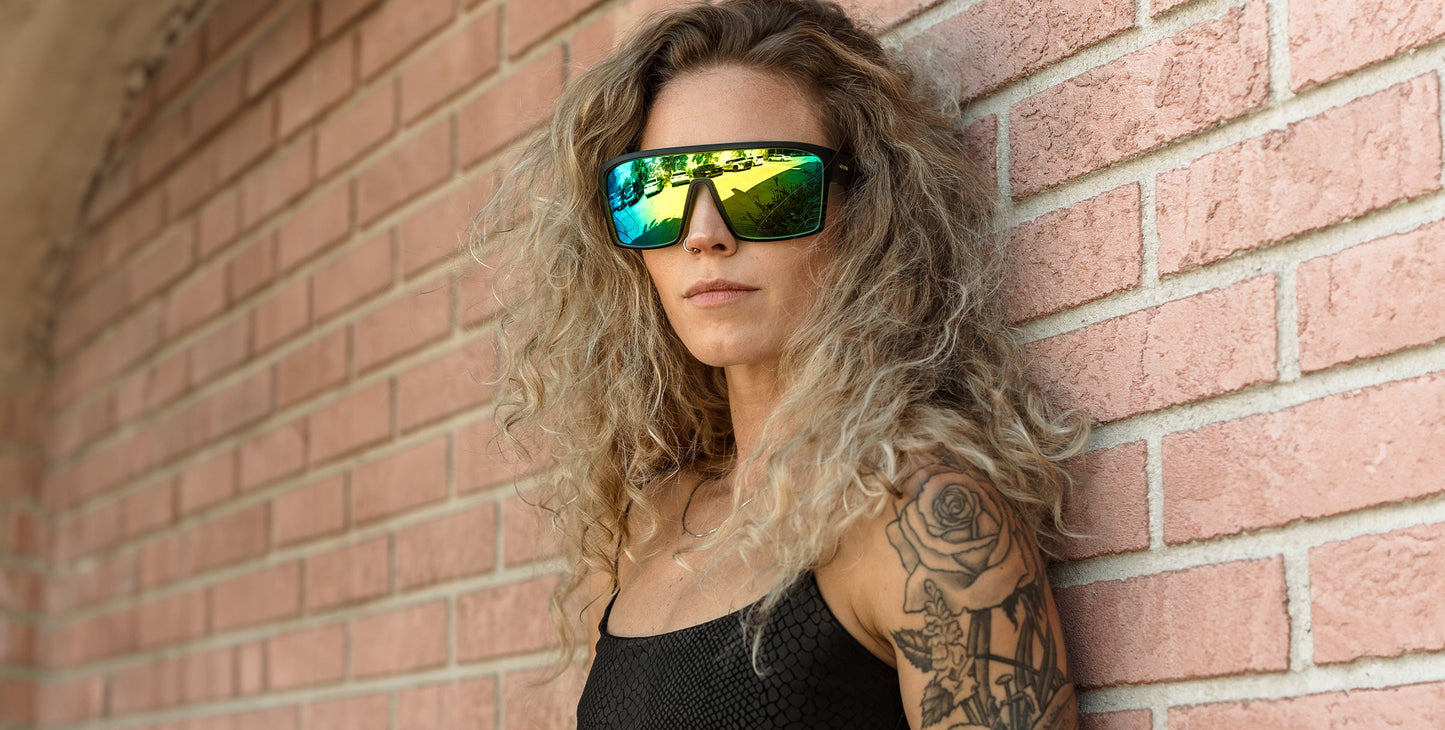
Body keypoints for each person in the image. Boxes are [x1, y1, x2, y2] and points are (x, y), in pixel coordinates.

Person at [479, 0, 1089, 727]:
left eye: (762, 185)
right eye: (659, 191)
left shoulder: (921, 517)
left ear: (864, 212)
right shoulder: (644, 524)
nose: (704, 234)